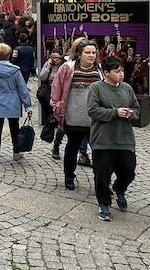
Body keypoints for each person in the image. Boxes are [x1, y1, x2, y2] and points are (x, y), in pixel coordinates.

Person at [85, 56, 143, 221]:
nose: (121, 74)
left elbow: (137, 110)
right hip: (103, 139)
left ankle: (119, 188)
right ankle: (104, 203)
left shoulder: (127, 88)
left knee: (128, 171)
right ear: (106, 73)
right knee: (102, 174)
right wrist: (114, 112)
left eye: (122, 70)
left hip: (124, 138)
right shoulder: (96, 88)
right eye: (117, 71)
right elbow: (92, 110)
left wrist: (131, 113)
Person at [51, 40, 101, 190]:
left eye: (93, 52)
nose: (91, 55)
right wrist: (56, 106)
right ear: (79, 54)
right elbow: (57, 88)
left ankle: (101, 181)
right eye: (87, 52)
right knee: (72, 148)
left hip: (94, 119)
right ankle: (69, 176)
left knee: (99, 151)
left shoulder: (100, 70)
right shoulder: (67, 68)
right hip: (73, 117)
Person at [36, 49, 66, 158]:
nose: (53, 59)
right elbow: (42, 77)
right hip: (49, 91)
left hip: (61, 93)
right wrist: (48, 67)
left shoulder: (64, 66)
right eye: (52, 57)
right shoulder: (48, 64)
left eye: (56, 57)